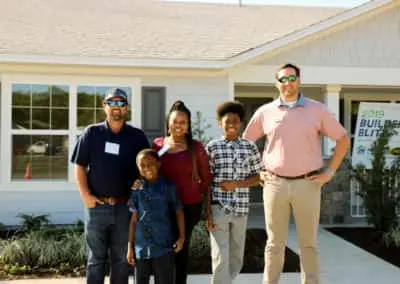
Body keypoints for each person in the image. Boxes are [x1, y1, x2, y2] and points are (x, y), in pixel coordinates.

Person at [243, 63, 350, 284]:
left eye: (292, 78)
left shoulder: (317, 110)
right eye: (282, 79)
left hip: (308, 184)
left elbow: (342, 139)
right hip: (274, 185)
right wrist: (256, 171)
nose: (287, 83)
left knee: (308, 243)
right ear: (276, 83)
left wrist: (330, 171)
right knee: (274, 243)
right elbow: (246, 144)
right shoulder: (265, 112)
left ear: (299, 81)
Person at [71, 88, 150, 284]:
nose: (116, 107)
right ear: (104, 106)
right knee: (95, 260)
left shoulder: (137, 136)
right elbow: (79, 165)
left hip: (125, 207)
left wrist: (141, 182)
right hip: (97, 207)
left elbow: (147, 167)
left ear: (126, 107)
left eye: (121, 103)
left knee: (121, 260)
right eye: (112, 103)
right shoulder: (92, 133)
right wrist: (85, 195)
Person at [152, 100, 212, 284]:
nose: (178, 125)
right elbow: (150, 172)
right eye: (175, 121)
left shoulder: (196, 148)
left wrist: (199, 198)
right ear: (168, 124)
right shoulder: (157, 145)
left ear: (188, 126)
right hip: (163, 206)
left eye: (183, 122)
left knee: (181, 248)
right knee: (163, 250)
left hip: (188, 207)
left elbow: (206, 179)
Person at [205, 101, 262, 284]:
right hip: (219, 207)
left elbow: (260, 177)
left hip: (241, 208)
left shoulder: (250, 147)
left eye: (235, 120)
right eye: (227, 121)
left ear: (241, 123)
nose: (231, 124)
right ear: (220, 123)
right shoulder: (212, 147)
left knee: (236, 256)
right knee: (220, 255)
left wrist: (236, 184)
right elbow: (206, 182)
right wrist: (207, 212)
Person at [127, 149, 185, 284]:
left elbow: (179, 212)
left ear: (158, 164)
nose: (147, 168)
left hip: (163, 246)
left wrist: (181, 238)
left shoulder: (169, 187)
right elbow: (133, 220)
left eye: (150, 164)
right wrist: (130, 247)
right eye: (143, 165)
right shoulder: (136, 189)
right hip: (141, 248)